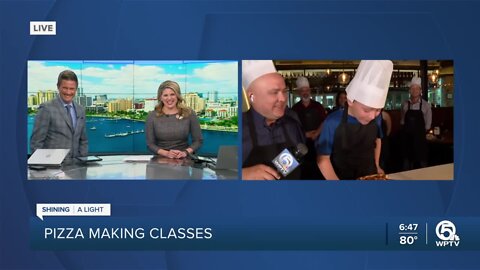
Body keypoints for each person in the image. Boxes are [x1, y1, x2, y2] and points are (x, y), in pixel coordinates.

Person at [315, 60, 393, 180]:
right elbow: (323, 160)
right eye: (367, 110)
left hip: (369, 174)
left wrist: (377, 165)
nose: (373, 116)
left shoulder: (376, 118)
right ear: (350, 100)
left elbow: (378, 140)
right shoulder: (332, 122)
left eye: (378, 110)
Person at [242, 60, 305, 180]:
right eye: (274, 92)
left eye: (284, 91)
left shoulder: (293, 123)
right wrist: (243, 175)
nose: (282, 98)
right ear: (252, 96)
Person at [30, 70, 88, 158]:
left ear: (76, 89)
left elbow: (83, 140)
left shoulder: (81, 110)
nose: (68, 92)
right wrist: (42, 168)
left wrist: (82, 160)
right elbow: (36, 142)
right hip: (53, 168)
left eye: (72, 89)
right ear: (58, 87)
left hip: (76, 167)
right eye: (65, 88)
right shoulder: (46, 109)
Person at [146, 80, 203, 159]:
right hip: (160, 160)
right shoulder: (152, 116)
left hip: (184, 159)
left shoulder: (189, 113)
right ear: (160, 97)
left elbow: (198, 141)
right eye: (165, 95)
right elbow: (150, 144)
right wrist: (167, 153)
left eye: (172, 94)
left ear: (177, 95)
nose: (169, 98)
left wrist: (185, 152)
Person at [292, 76, 326, 179]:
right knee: (303, 172)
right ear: (298, 92)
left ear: (310, 91)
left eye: (307, 90)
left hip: (317, 144)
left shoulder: (318, 106)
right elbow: (292, 127)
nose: (305, 92)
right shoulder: (295, 109)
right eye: (302, 90)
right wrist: (305, 134)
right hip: (301, 146)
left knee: (318, 171)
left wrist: (316, 133)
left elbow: (325, 122)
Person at [400, 76, 432, 169]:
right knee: (406, 167)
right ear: (409, 90)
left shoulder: (426, 106)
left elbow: (427, 125)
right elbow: (402, 122)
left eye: (417, 88)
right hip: (407, 142)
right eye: (412, 88)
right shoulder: (404, 104)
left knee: (423, 167)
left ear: (420, 90)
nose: (414, 90)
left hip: (420, 141)